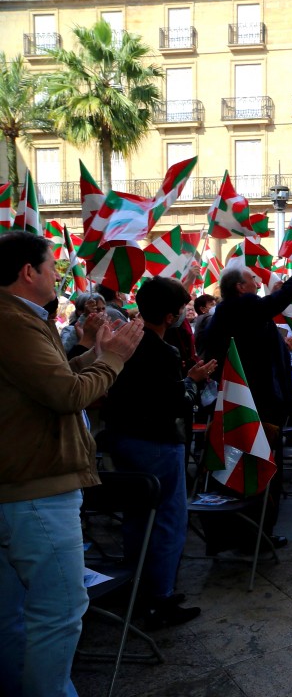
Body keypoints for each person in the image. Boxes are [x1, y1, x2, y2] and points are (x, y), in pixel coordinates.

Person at [0, 230, 144, 697]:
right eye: (51, 267)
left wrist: (95, 354)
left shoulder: (20, 318)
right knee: (58, 612)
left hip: (23, 486)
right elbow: (66, 395)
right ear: (29, 272)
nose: (57, 276)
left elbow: (48, 382)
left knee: (14, 614)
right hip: (36, 489)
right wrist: (114, 360)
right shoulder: (14, 321)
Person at [103, 277, 217, 629]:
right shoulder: (162, 351)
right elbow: (174, 403)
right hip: (156, 443)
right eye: (181, 310)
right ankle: (160, 598)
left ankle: (139, 585)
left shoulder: (122, 341)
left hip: (123, 439)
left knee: (137, 516)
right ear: (170, 316)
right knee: (168, 520)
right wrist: (192, 381)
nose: (183, 315)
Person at [201, 257, 292, 553]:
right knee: (259, 468)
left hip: (242, 402)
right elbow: (282, 298)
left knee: (240, 468)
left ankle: (241, 535)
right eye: (252, 278)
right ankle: (256, 536)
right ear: (240, 287)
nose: (258, 281)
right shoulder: (243, 306)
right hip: (256, 405)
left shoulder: (230, 312)